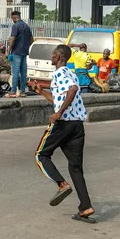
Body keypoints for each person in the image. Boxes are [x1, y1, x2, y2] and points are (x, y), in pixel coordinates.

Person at [30, 44, 95, 222]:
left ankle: (62, 185)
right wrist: (41, 92)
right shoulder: (70, 73)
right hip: (77, 125)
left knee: (41, 155)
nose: (51, 56)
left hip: (64, 123)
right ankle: (86, 206)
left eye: (53, 54)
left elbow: (72, 90)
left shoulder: (59, 73)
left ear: (59, 56)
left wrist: (59, 113)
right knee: (75, 167)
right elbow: (59, 98)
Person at [6, 10, 33, 97]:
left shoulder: (15, 26)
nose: (12, 21)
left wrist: (8, 50)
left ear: (14, 18)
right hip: (24, 53)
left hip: (16, 52)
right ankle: (22, 92)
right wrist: (26, 47)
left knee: (15, 73)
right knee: (23, 73)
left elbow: (13, 39)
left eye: (12, 19)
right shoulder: (26, 26)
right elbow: (31, 39)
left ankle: (13, 92)